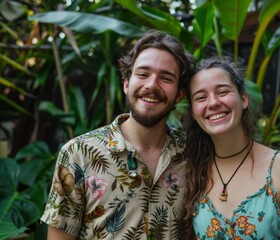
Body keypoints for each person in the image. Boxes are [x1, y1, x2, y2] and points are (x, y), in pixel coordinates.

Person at [40, 29, 194, 239]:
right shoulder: (79, 153)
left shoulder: (194, 153)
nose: (151, 85)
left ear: (179, 95)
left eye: (166, 78)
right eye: (143, 74)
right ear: (126, 83)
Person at [181, 57, 280, 239]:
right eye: (201, 97)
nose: (213, 103)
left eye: (222, 91)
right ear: (193, 113)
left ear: (244, 100)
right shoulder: (192, 171)